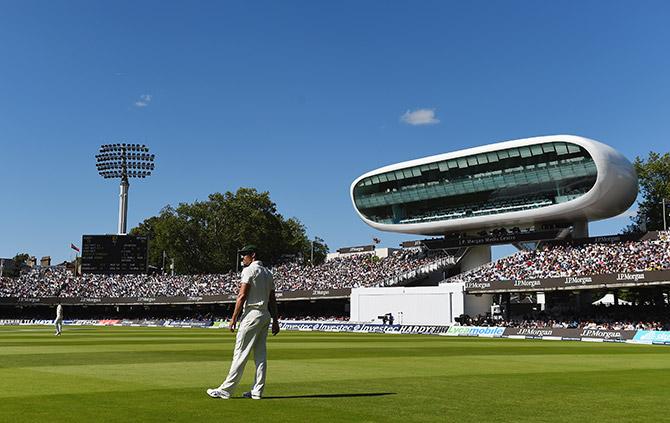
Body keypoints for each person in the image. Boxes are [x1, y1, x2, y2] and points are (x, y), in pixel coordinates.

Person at [207, 245, 280, 400]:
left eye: (244, 255)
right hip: (265, 315)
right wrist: (275, 320)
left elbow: (242, 296)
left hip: (252, 315)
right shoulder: (268, 273)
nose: (242, 258)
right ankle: (257, 391)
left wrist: (233, 318)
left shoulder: (249, 271)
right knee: (260, 355)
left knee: (240, 353)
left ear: (253, 255)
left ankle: (226, 390)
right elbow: (272, 300)